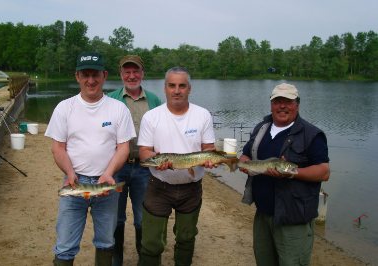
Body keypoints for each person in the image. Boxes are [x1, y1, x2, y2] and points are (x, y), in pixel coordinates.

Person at [45, 52, 136, 266]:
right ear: (77, 76)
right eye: (85, 75)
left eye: (96, 75)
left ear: (104, 76)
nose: (91, 80)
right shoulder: (64, 108)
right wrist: (69, 173)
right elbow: (58, 148)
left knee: (106, 241)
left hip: (107, 183)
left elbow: (123, 148)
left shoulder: (118, 109)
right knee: (65, 244)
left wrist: (109, 173)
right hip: (74, 183)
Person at [239, 83, 330, 266]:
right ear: (271, 104)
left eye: (288, 102)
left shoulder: (311, 134)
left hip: (293, 217)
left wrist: (290, 174)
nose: (282, 106)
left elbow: (324, 172)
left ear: (297, 104)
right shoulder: (261, 129)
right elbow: (246, 154)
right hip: (263, 213)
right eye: (277, 102)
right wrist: (245, 165)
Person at [137, 66, 217, 266]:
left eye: (182, 86)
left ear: (189, 89)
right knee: (151, 242)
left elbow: (208, 148)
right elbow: (144, 152)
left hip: (191, 189)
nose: (177, 90)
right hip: (158, 188)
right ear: (165, 88)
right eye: (172, 85)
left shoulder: (203, 115)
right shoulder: (152, 116)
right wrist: (154, 157)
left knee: (186, 238)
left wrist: (211, 158)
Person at [107, 55, 161, 266]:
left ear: (142, 73)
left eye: (135, 71)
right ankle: (116, 259)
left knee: (142, 217)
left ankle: (143, 259)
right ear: (120, 75)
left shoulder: (154, 100)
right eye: (127, 72)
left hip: (145, 168)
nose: (132, 76)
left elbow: (161, 131)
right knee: (116, 218)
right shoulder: (110, 99)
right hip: (117, 167)